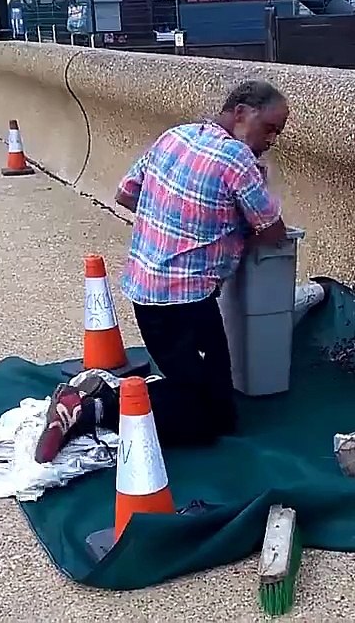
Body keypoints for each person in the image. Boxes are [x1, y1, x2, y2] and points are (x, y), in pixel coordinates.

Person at [32, 80, 289, 463]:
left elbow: (125, 193)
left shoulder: (176, 136)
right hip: (183, 303)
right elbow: (273, 231)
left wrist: (170, 223)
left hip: (150, 291)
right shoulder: (237, 159)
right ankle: (93, 406)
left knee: (219, 403)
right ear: (241, 112)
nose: (272, 139)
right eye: (269, 128)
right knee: (205, 421)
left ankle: (143, 397)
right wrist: (231, 237)